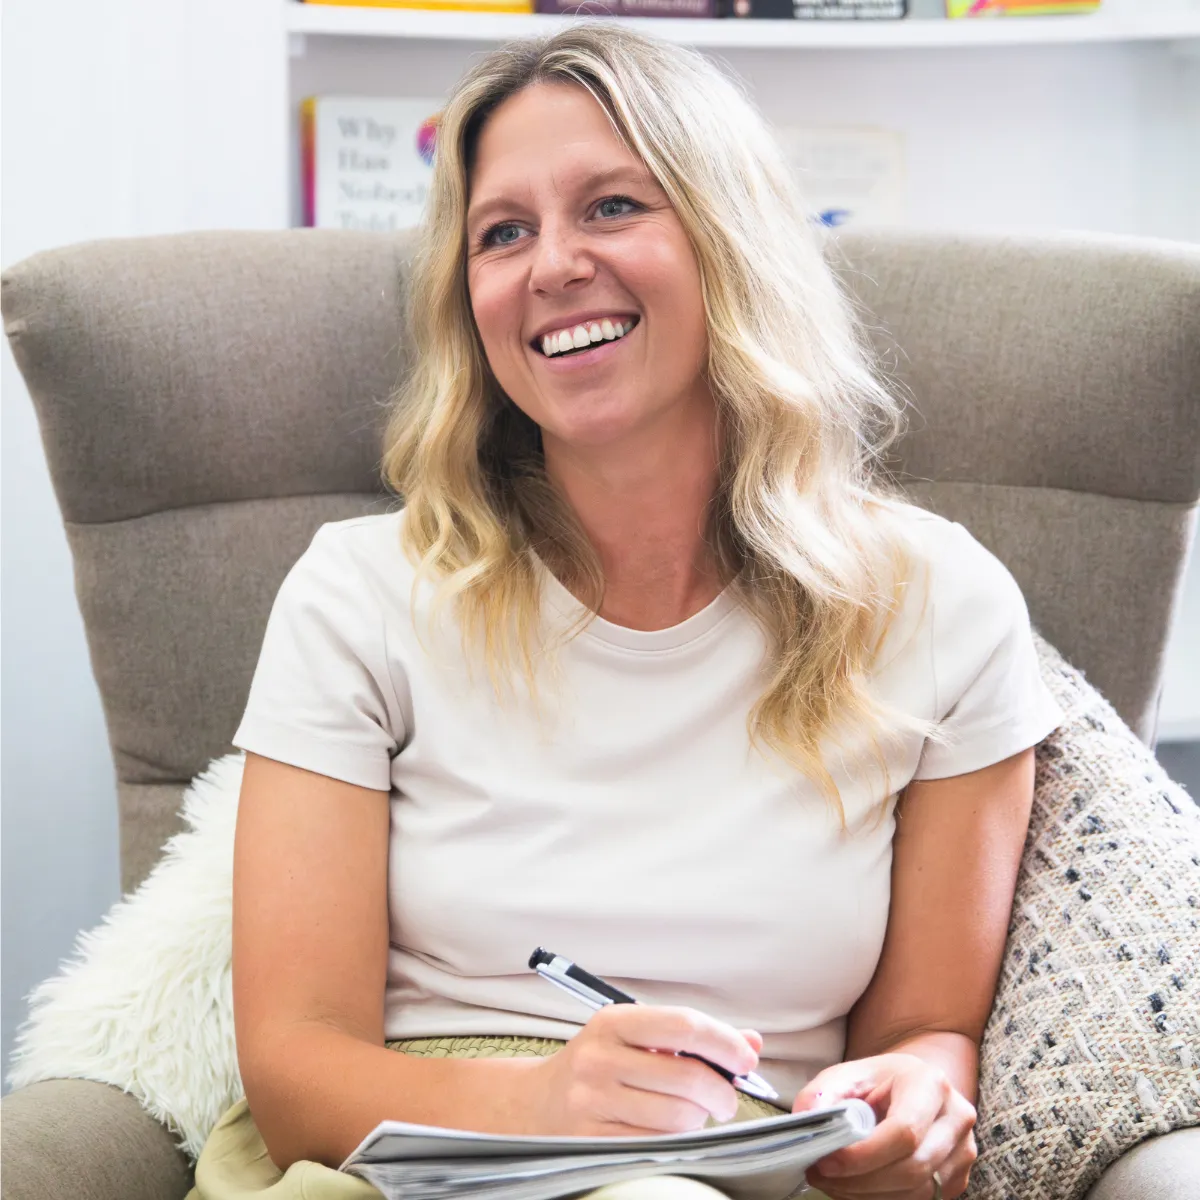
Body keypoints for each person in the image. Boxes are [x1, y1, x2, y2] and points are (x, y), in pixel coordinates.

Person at [187, 22, 1064, 1200]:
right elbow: (295, 1072)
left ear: (728, 241)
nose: (551, 265)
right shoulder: (363, 593)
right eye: (504, 233)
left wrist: (914, 1106)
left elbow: (924, 1028)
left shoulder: (938, 605)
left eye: (610, 207)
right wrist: (553, 1107)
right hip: (418, 1172)